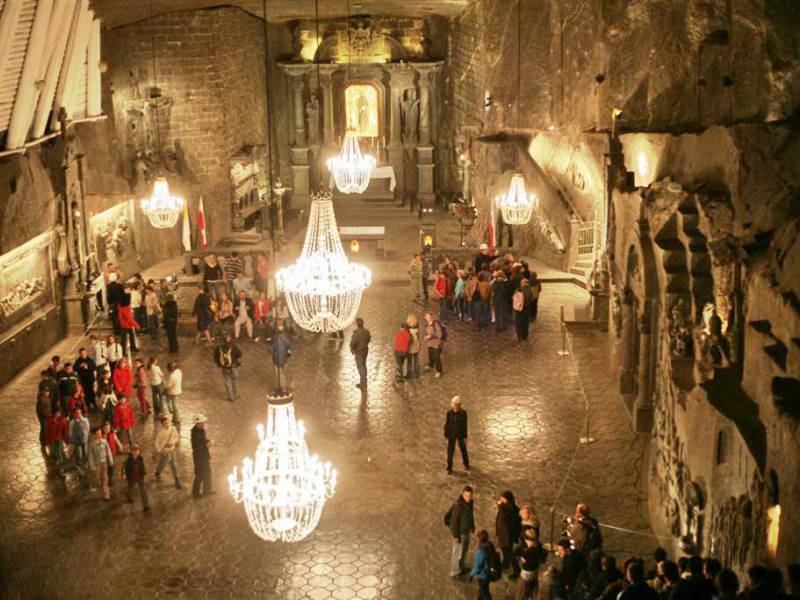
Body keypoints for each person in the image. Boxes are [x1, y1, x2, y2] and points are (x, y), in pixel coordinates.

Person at [448, 485, 475, 578]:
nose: (468, 498)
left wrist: (472, 526)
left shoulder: (470, 502)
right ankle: (454, 572)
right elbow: (453, 523)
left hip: (466, 532)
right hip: (459, 534)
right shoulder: (458, 506)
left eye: (470, 496)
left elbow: (471, 515)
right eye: (466, 496)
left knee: (464, 551)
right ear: (462, 494)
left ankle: (461, 566)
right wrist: (456, 536)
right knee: (456, 553)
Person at [496, 490, 521, 578]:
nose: (500, 499)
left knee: (509, 553)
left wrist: (499, 506)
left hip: (507, 535)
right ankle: (505, 562)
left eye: (503, 498)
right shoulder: (504, 506)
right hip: (502, 534)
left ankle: (516, 570)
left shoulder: (509, 509)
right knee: (504, 550)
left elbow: (503, 518)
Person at [515, 529, 546, 600]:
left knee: (520, 595)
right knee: (534, 595)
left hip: (525, 577)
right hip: (535, 574)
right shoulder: (539, 546)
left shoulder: (528, 552)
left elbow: (516, 553)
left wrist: (521, 558)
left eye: (526, 540)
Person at [154, 416, 181, 489]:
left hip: (172, 450)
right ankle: (158, 473)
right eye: (165, 423)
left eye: (168, 422)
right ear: (162, 424)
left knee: (174, 465)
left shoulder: (173, 429)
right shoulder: (161, 433)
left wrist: (173, 442)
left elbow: (177, 437)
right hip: (165, 451)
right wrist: (160, 450)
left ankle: (177, 480)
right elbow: (156, 442)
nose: (167, 424)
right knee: (162, 463)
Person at [444, 396, 469, 474]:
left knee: (463, 449)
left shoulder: (463, 413)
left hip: (460, 434)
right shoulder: (449, 413)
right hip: (451, 434)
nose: (456, 406)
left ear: (460, 405)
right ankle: (449, 467)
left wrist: (465, 436)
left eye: (458, 404)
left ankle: (466, 463)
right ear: (452, 404)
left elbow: (465, 425)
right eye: (455, 404)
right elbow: (447, 424)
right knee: (450, 451)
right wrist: (446, 435)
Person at [87, 427, 113, 500]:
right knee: (96, 478)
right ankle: (94, 485)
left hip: (104, 463)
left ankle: (106, 494)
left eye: (100, 433)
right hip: (96, 464)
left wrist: (110, 460)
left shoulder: (104, 442)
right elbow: (90, 456)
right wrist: (92, 466)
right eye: (98, 434)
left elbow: (108, 451)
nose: (99, 435)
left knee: (105, 479)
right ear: (94, 435)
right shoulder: (92, 445)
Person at [213, 335, 242, 402]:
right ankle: (236, 394)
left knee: (227, 381)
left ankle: (231, 397)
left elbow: (215, 358)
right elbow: (240, 355)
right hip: (234, 367)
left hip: (224, 368)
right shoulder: (234, 346)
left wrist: (220, 364)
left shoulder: (219, 348)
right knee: (235, 380)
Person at [469, 529, 495, 600]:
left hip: (483, 575)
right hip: (489, 572)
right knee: (482, 590)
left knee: (485, 593)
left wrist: (471, 574)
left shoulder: (480, 551)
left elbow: (477, 566)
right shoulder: (490, 544)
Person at [191, 414, 213, 498]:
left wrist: (208, 441)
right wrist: (208, 445)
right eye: (202, 422)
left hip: (204, 456)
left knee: (207, 473)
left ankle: (207, 490)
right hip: (199, 458)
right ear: (198, 423)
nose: (204, 423)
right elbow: (197, 447)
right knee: (199, 475)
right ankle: (195, 492)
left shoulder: (201, 430)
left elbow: (203, 440)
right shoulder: (195, 434)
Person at [123, 444, 150, 512]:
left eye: (137, 451)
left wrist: (145, 473)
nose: (136, 452)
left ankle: (145, 506)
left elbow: (143, 467)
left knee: (143, 491)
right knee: (130, 488)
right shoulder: (128, 460)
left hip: (139, 477)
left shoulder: (140, 458)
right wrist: (124, 474)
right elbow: (124, 467)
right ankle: (129, 497)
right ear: (131, 452)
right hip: (131, 477)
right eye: (134, 451)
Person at [268, 324, 293, 393]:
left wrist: (269, 344)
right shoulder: (286, 338)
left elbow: (270, 350)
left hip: (277, 359)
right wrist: (289, 353)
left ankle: (280, 387)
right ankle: (283, 387)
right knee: (282, 373)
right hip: (284, 359)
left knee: (278, 374)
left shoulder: (275, 339)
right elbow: (290, 346)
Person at [350, 317, 371, 389]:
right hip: (365, 351)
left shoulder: (356, 333)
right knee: (364, 365)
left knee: (360, 367)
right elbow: (369, 339)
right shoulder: (367, 331)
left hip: (359, 352)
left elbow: (352, 343)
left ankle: (363, 383)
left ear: (357, 324)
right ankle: (364, 380)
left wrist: (352, 349)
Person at [424, 312, 445, 377]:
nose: (426, 318)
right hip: (430, 343)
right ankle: (430, 365)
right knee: (430, 354)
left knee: (436, 357)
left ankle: (439, 371)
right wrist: (425, 336)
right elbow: (426, 332)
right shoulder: (427, 324)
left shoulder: (436, 324)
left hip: (437, 344)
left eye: (427, 316)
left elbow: (439, 334)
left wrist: (430, 336)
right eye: (426, 316)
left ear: (431, 317)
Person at [101, 421, 122, 488]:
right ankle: (104, 480)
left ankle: (110, 479)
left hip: (112, 453)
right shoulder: (100, 435)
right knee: (104, 468)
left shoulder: (112, 434)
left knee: (111, 467)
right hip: (103, 454)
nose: (107, 429)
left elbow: (116, 440)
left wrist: (120, 446)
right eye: (105, 428)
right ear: (103, 428)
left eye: (108, 428)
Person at [36, 386, 52, 452]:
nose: (49, 393)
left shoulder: (45, 398)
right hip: (44, 417)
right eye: (48, 392)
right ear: (44, 392)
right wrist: (48, 415)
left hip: (46, 417)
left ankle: (46, 443)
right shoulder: (42, 399)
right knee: (44, 430)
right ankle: (43, 444)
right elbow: (42, 410)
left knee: (45, 430)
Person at [406, 314, 421, 379]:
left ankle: (409, 374)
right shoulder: (417, 328)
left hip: (410, 348)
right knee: (416, 361)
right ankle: (416, 374)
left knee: (409, 362)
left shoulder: (408, 330)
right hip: (416, 347)